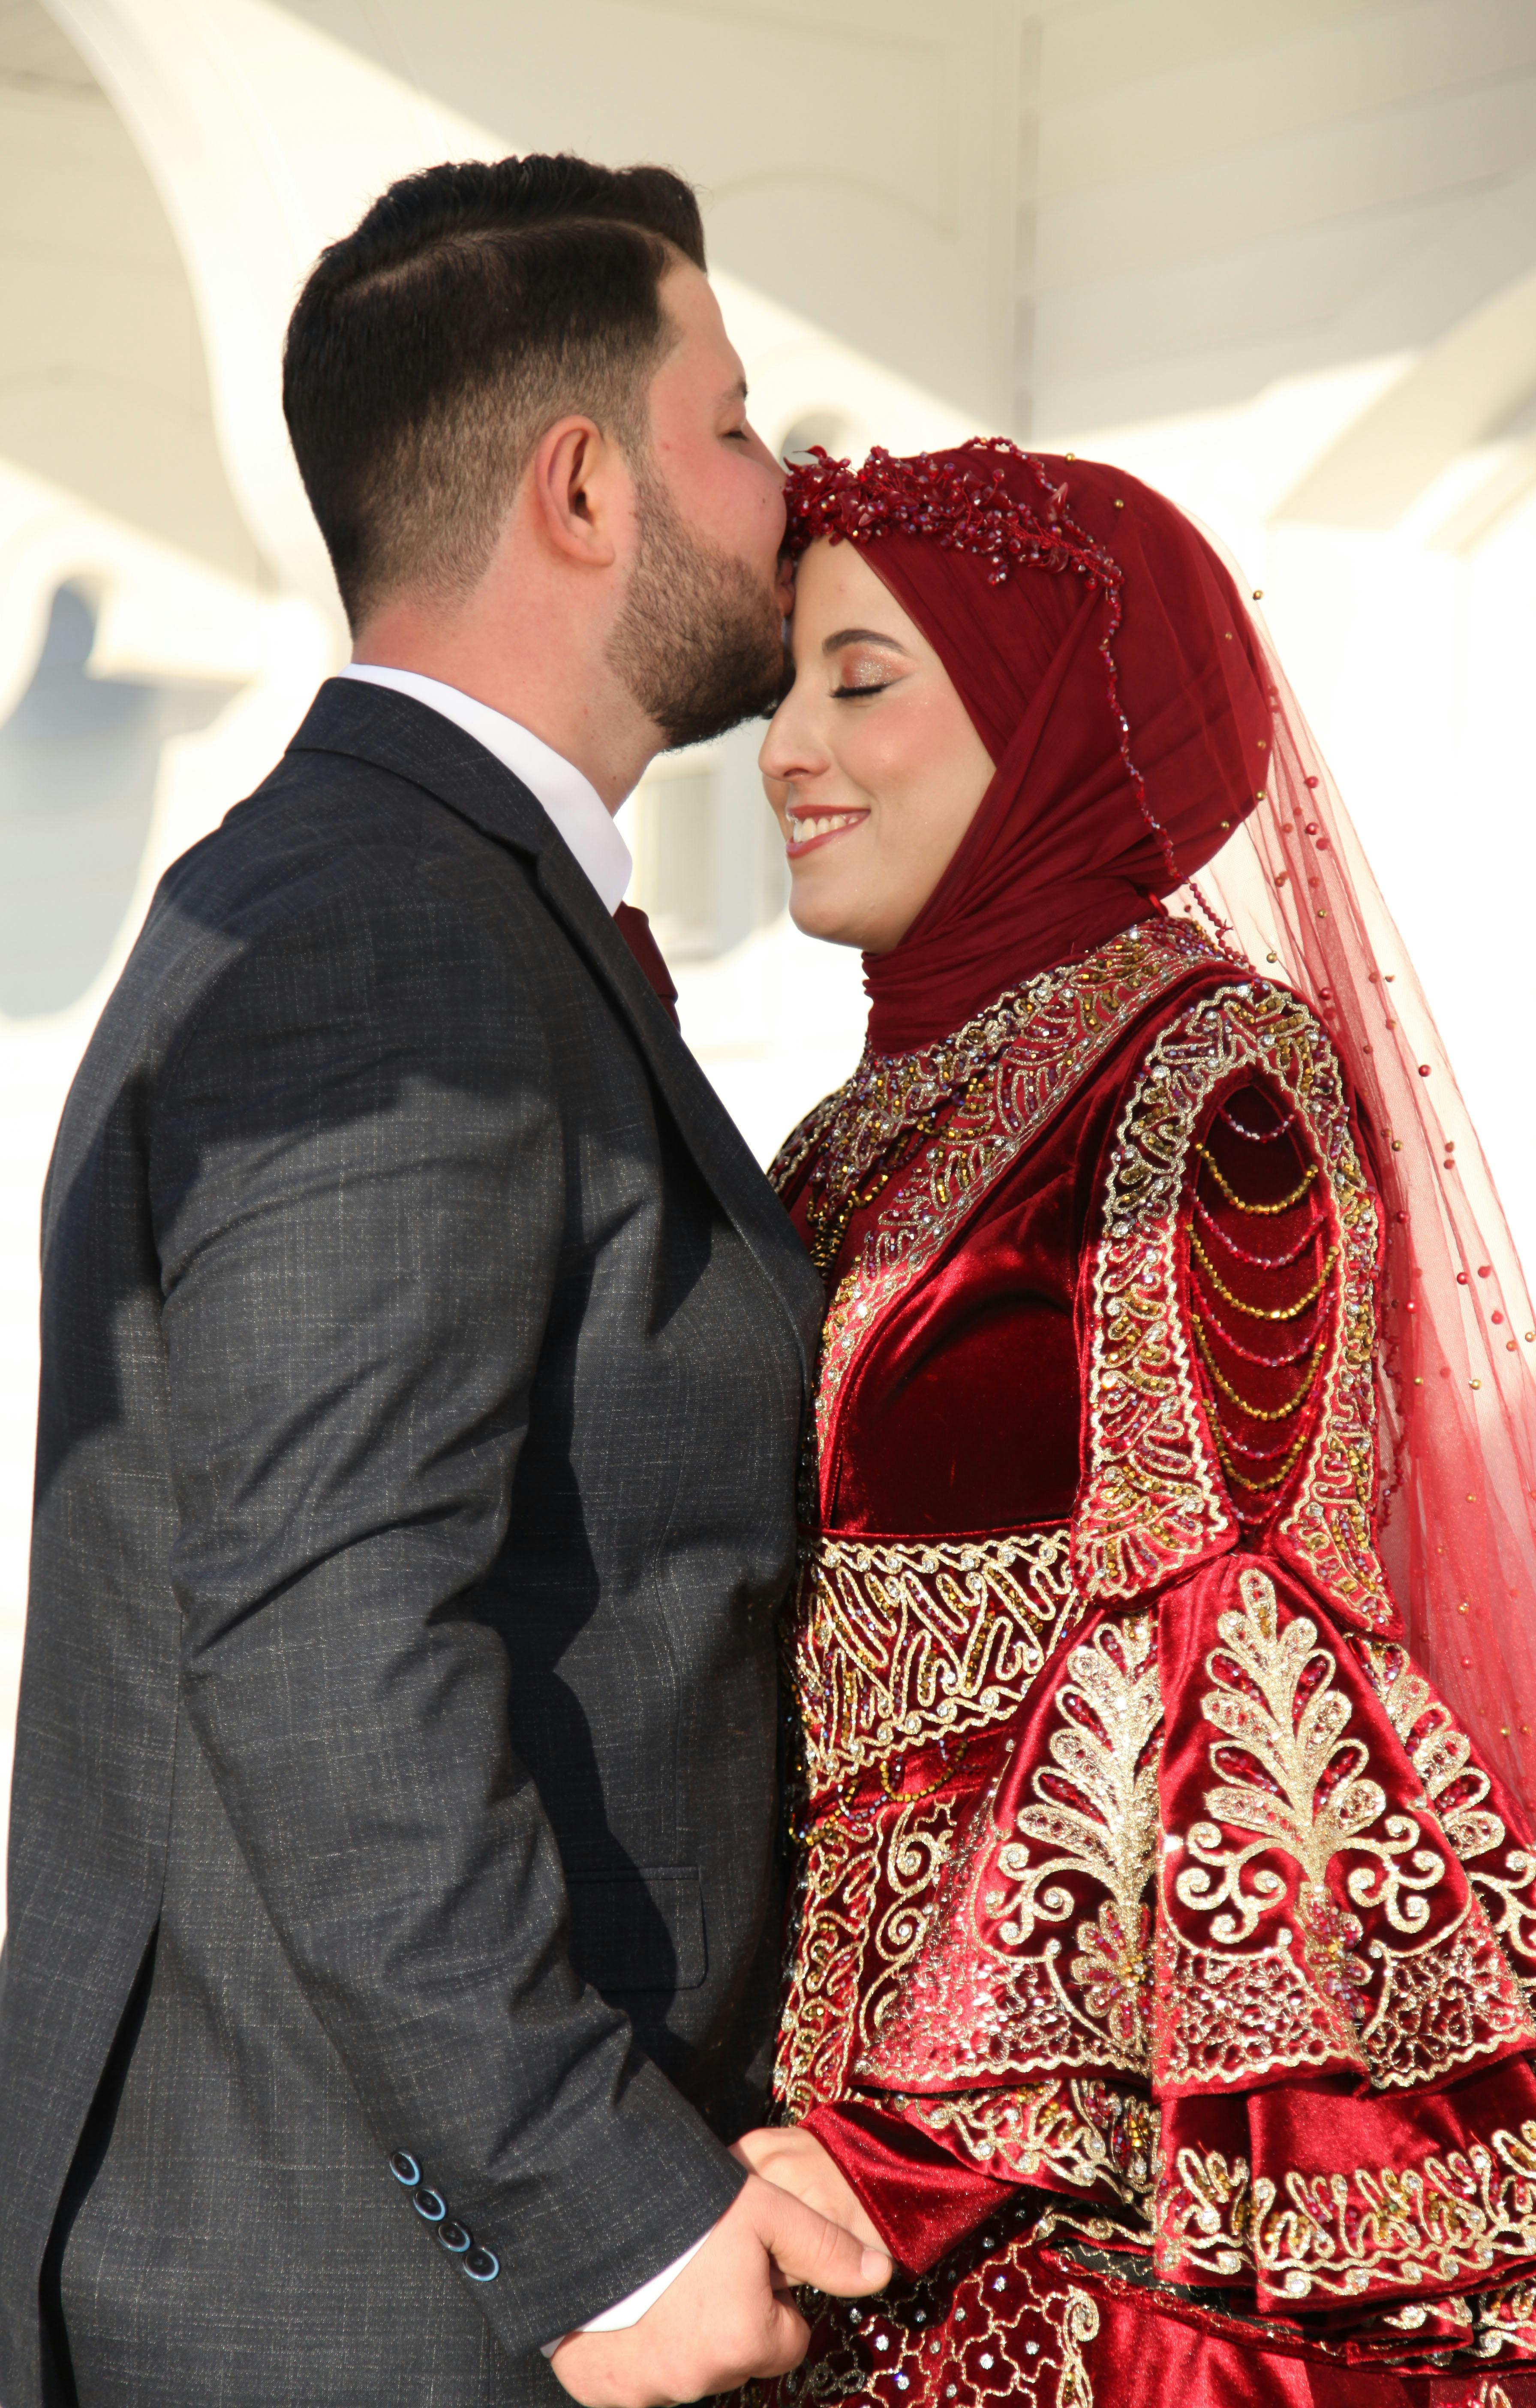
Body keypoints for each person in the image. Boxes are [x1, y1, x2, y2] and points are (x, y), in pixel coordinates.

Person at [0, 155, 892, 2408]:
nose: (775, 495)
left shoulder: (388, 889)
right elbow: (328, 1640)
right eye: (730, 422)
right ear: (584, 490)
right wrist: (595, 2216)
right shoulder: (393, 933)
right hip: (339, 2307)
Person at [745, 437, 1536, 2406]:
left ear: (1061, 716)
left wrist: (921, 2147)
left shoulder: (1211, 1091)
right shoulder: (861, 1128)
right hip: (807, 2146)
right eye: (787, 685)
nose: (787, 746)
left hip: (1079, 2177)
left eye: (860, 680)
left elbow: (1241, 1658)